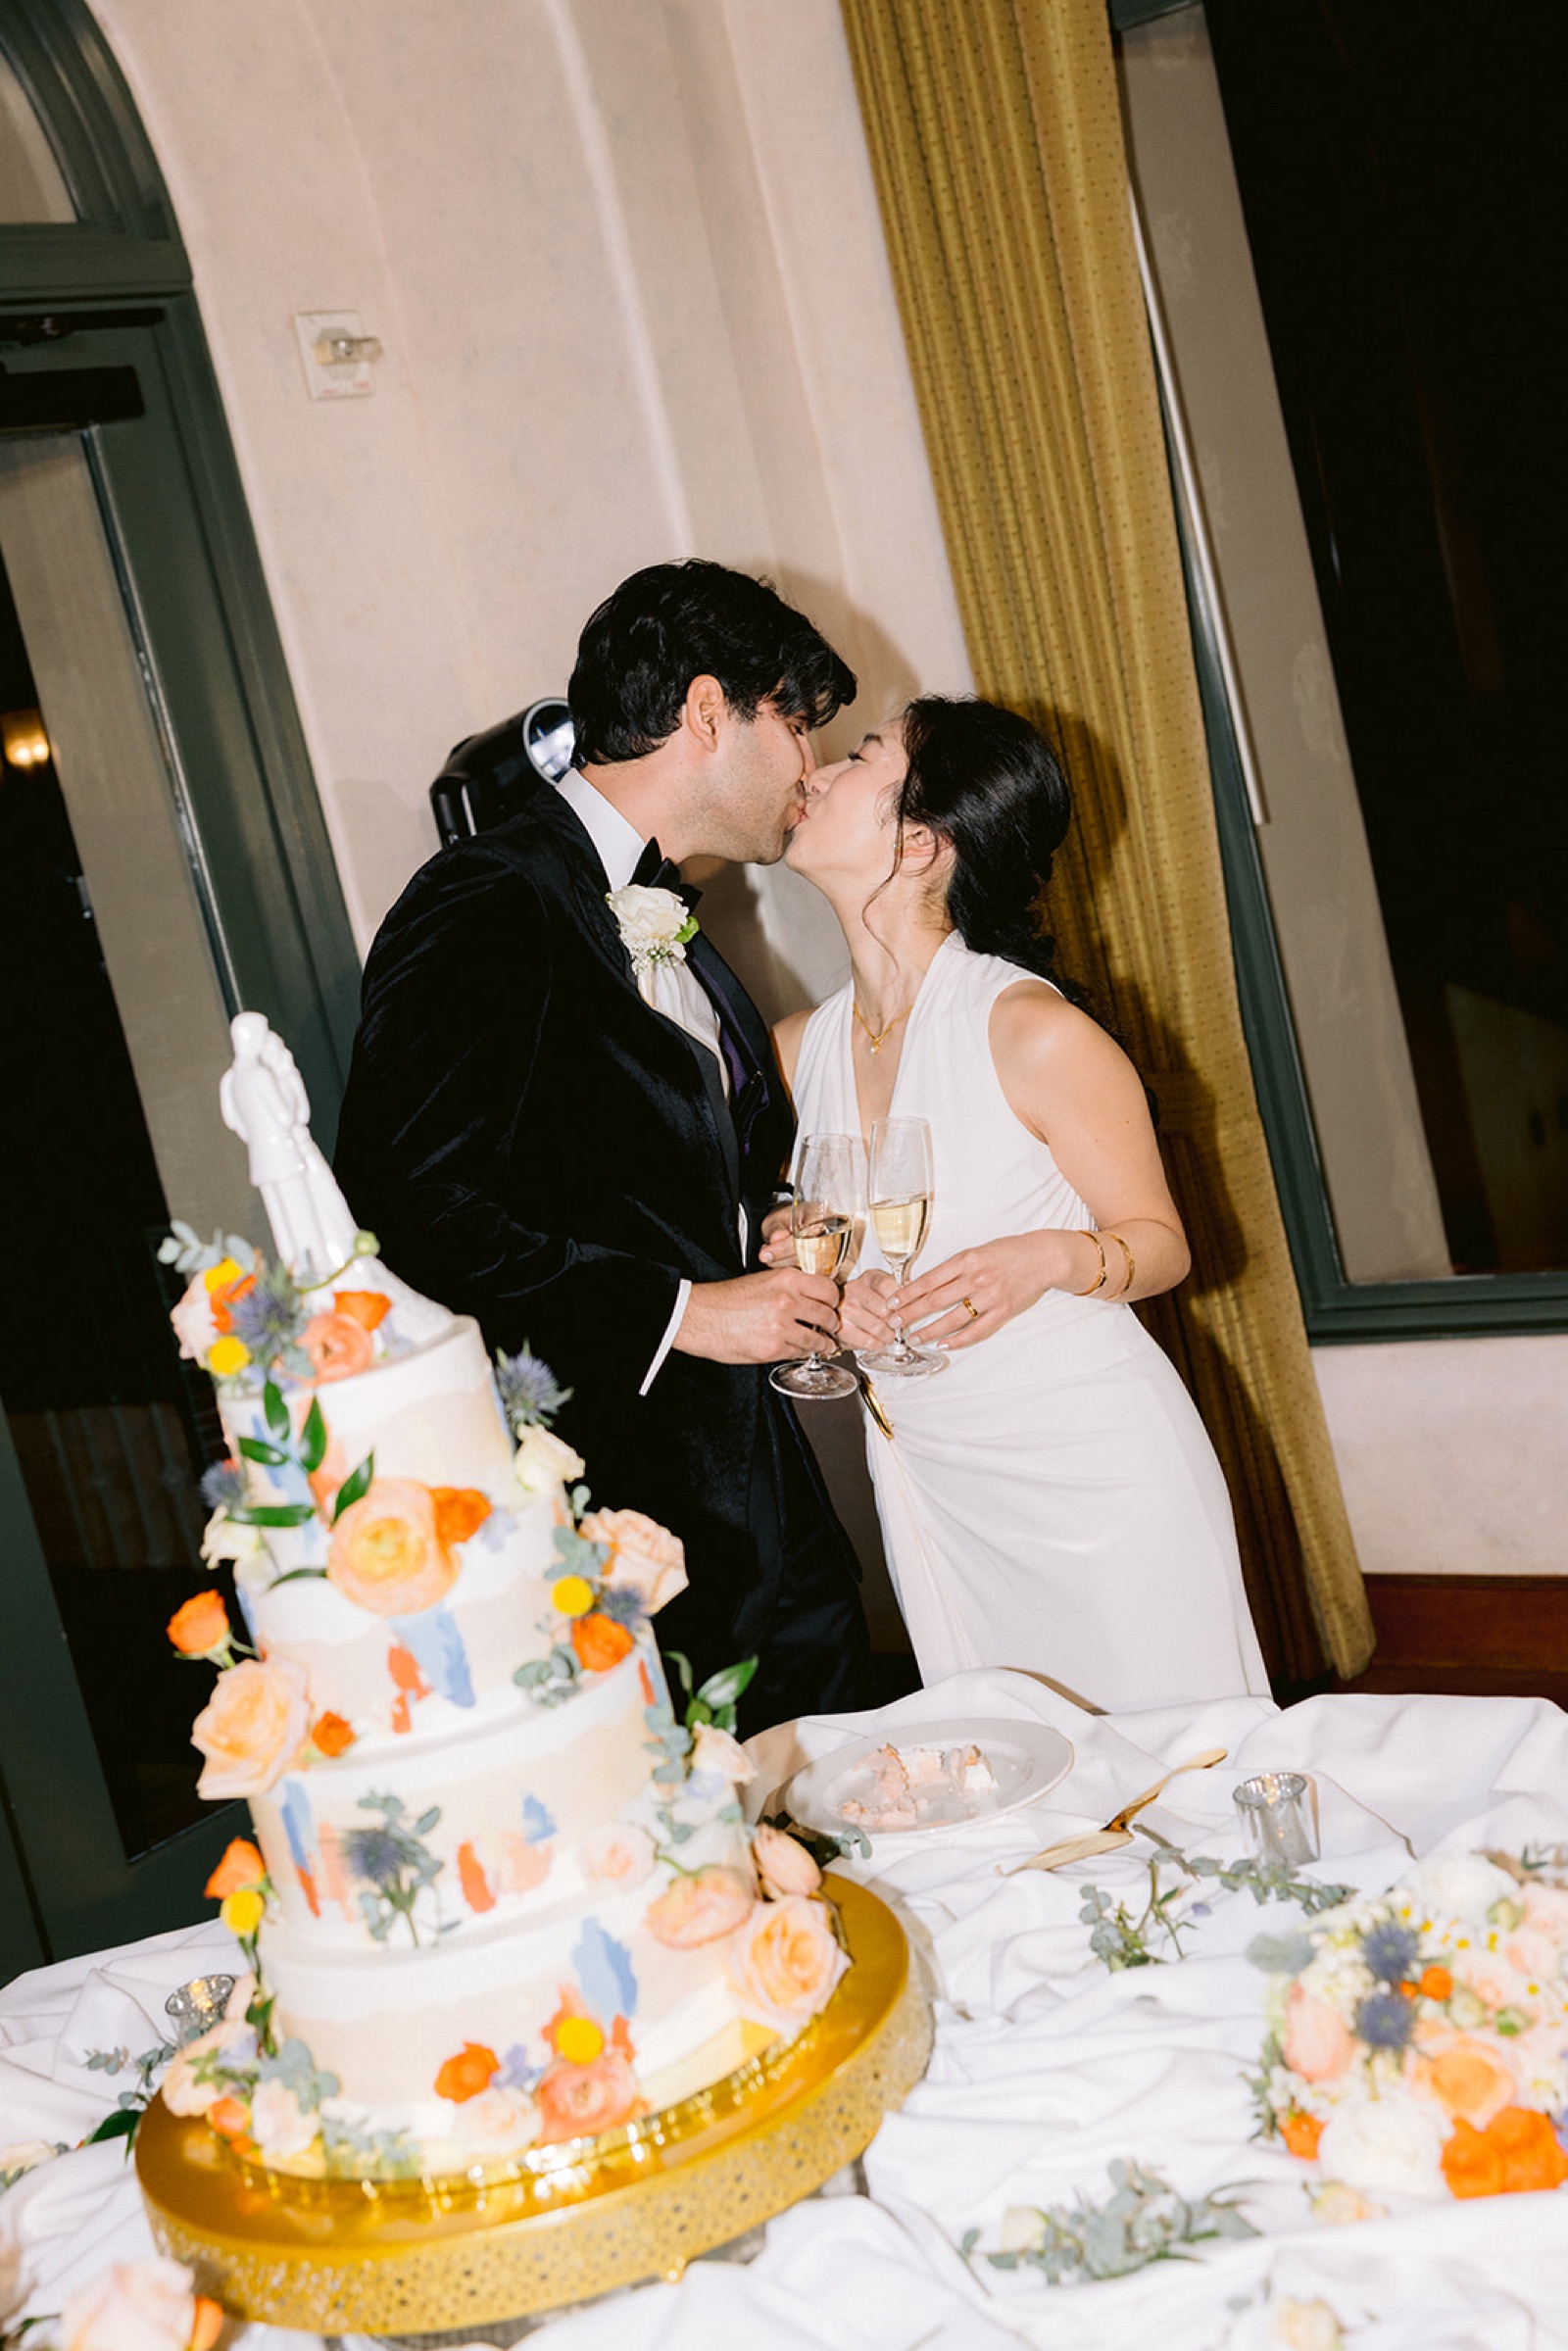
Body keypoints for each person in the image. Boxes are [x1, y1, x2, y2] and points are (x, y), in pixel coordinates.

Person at [333, 561, 875, 1734]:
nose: (809, 767)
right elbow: (405, 1209)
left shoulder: (671, 911)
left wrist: (755, 1221)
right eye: (793, 721)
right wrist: (688, 1311)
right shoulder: (487, 898)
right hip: (610, 1509)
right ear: (703, 711)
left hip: (754, 1476)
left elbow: (635, 1165)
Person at [771, 695, 1269, 1710]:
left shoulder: (1030, 1030)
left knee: (1180, 1772)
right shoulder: (795, 1049)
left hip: (1090, 1466)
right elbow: (797, 1232)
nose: (815, 773)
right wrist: (798, 1257)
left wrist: (1048, 1257)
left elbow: (1163, 1243)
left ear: (920, 839)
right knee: (1017, 1789)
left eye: (859, 755)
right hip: (930, 1481)